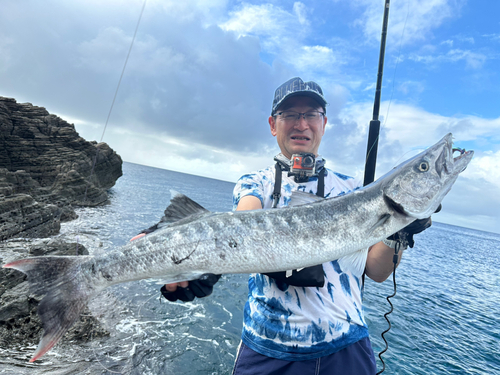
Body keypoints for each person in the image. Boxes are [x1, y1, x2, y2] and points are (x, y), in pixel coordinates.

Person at [134, 77, 433, 374]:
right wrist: (201, 266)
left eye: (311, 114)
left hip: (347, 347)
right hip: (268, 349)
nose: (301, 124)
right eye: (289, 114)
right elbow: (240, 226)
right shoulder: (256, 183)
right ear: (273, 124)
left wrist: (400, 232)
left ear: (324, 122)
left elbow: (377, 272)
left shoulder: (354, 189)